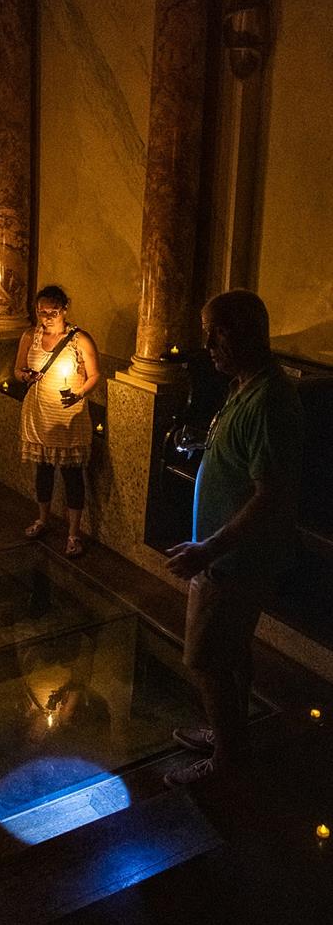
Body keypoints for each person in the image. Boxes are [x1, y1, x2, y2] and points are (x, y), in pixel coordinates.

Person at [164, 289, 303, 788]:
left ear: (247, 332)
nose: (208, 346)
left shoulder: (269, 401)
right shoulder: (244, 385)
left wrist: (209, 548)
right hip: (225, 557)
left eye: (217, 333)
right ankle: (230, 733)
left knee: (205, 659)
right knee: (231, 652)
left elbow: (271, 496)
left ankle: (227, 759)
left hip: (235, 560)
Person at [15, 285, 100, 556]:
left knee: (72, 475)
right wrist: (25, 375)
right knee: (43, 470)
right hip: (39, 413)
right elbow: (17, 370)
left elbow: (95, 375)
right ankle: (42, 518)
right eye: (42, 312)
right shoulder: (30, 336)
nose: (47, 317)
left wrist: (79, 393)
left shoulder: (80, 339)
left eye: (53, 312)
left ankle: (73, 533)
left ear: (64, 309)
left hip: (68, 417)